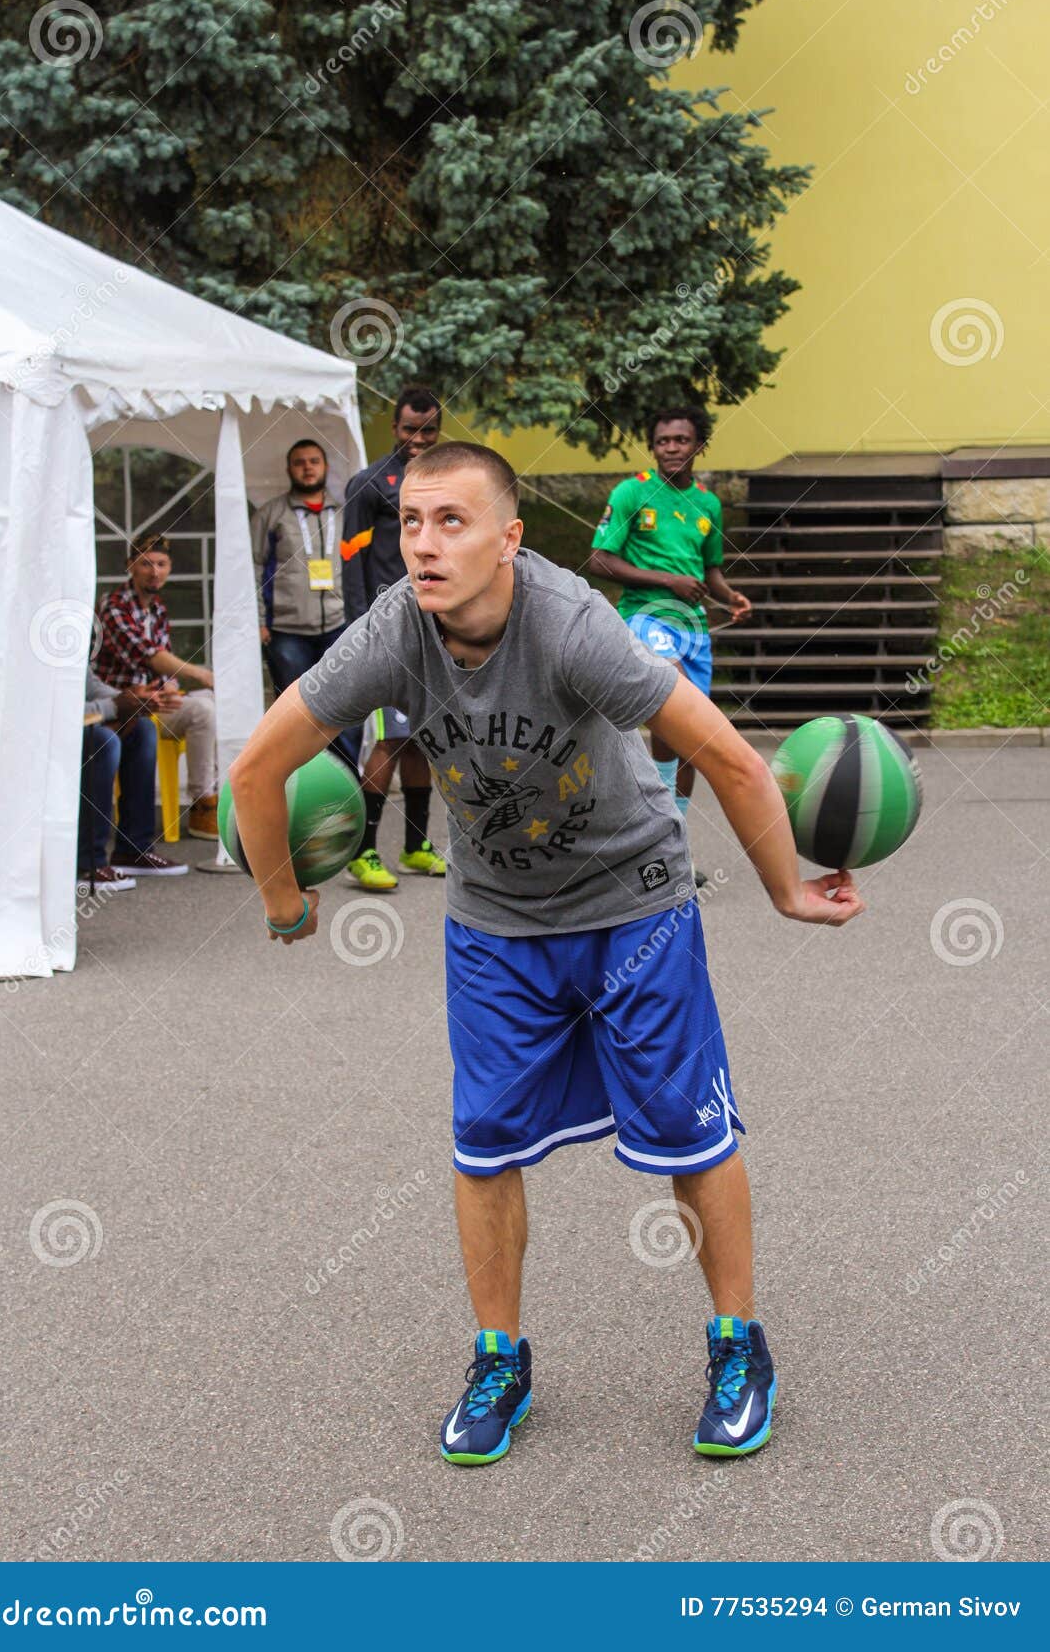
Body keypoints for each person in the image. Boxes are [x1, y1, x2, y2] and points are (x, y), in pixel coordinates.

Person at [229, 442, 864, 1469]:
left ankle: (739, 1344)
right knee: (482, 1141)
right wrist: (280, 900)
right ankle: (498, 1357)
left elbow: (725, 755)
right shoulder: (395, 631)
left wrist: (786, 889)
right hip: (495, 923)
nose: (424, 545)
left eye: (452, 523)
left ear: (508, 540)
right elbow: (259, 767)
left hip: (632, 905)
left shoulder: (573, 625)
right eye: (411, 524)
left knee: (686, 1131)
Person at [587, 407, 752, 885]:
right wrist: (667, 580)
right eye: (663, 441)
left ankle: (669, 838)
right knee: (673, 703)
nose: (672, 448)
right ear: (653, 446)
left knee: (691, 738)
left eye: (682, 440)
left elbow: (711, 569)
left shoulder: (709, 505)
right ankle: (646, 834)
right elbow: (599, 559)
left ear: (699, 446)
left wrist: (729, 596)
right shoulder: (632, 491)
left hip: (694, 626)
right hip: (646, 616)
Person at [339, 386, 447, 890]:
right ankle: (363, 853)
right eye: (410, 430)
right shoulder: (369, 485)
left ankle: (415, 847)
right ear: (395, 428)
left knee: (421, 740)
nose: (420, 440)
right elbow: (350, 560)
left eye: (429, 431)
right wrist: (364, 627)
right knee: (388, 737)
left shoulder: (447, 481)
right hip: (386, 630)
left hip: (436, 629)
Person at [94, 529, 216, 870]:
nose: (154, 571)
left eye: (161, 564)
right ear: (130, 566)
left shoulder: (158, 609)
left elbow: (161, 671)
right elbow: (148, 656)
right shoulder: (113, 605)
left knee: (205, 707)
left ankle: (202, 802)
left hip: (151, 705)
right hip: (115, 708)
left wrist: (171, 689)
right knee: (150, 727)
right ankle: (121, 849)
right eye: (146, 563)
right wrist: (199, 673)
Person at [250, 439, 361, 775]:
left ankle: (344, 783)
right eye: (300, 462)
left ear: (325, 467)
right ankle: (303, 783)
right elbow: (253, 569)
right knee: (296, 712)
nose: (307, 467)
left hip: (340, 627)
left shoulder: (344, 512)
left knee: (346, 706)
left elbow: (359, 565)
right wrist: (258, 620)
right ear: (289, 469)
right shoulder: (271, 514)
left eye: (314, 461)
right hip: (287, 631)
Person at [78, 666, 186, 889]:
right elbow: (53, 711)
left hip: (85, 718)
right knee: (103, 742)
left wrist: (135, 699)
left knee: (143, 729)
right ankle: (87, 863)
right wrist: (114, 706)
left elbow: (90, 685)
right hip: (43, 731)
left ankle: (133, 849)